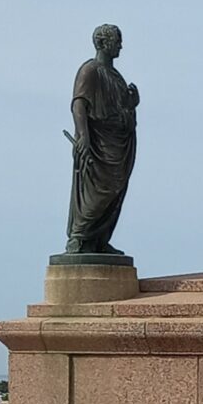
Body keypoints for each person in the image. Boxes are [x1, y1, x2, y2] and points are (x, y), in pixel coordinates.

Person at [66, 23, 139, 255]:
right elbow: (79, 104)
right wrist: (83, 136)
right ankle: (79, 238)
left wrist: (131, 103)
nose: (120, 46)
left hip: (118, 143)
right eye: (116, 41)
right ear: (102, 43)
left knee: (116, 191)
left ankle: (99, 239)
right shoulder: (90, 70)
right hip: (98, 144)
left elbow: (119, 107)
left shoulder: (116, 76)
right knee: (97, 191)